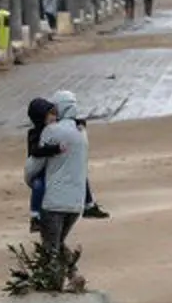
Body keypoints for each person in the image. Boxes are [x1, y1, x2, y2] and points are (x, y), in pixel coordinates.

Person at [25, 98, 109, 233]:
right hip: (41, 169)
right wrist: (55, 149)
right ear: (40, 118)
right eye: (50, 115)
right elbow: (35, 152)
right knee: (38, 185)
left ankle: (89, 205)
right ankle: (35, 217)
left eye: (54, 113)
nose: (54, 117)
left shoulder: (55, 127)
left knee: (81, 176)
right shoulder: (34, 134)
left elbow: (73, 122)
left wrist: (79, 124)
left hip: (58, 166)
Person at [25, 91, 90, 254]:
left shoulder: (50, 132)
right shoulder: (81, 131)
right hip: (76, 203)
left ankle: (66, 275)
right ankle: (73, 275)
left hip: (53, 202)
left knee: (50, 247)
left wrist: (31, 181)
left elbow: (33, 166)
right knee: (57, 242)